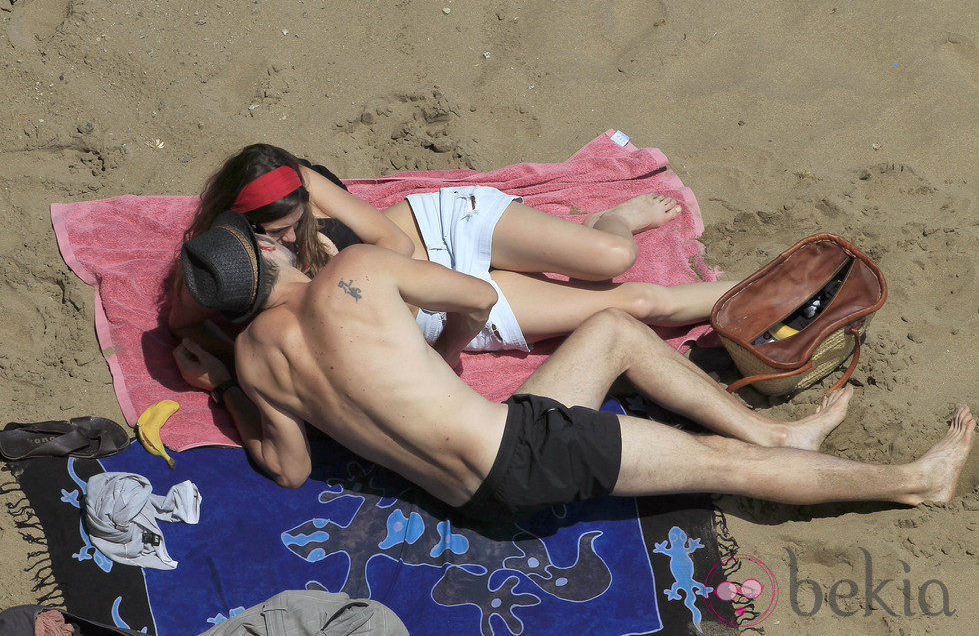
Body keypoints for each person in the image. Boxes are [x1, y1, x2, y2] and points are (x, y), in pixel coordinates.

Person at [172, 212, 974, 522]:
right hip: (525, 460)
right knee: (727, 467)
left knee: (612, 329)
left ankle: (780, 431)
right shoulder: (360, 271)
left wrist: (225, 391)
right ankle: (912, 480)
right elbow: (477, 300)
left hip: (471, 485)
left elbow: (287, 468)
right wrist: (442, 360)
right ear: (272, 248)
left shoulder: (251, 360)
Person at [168, 143, 735, 358]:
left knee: (614, 257)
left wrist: (324, 224)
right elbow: (182, 322)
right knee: (635, 304)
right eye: (279, 234)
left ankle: (611, 220)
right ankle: (768, 296)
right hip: (433, 298)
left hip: (441, 229)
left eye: (298, 224)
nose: (293, 238)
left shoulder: (305, 190)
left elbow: (392, 241)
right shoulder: (226, 258)